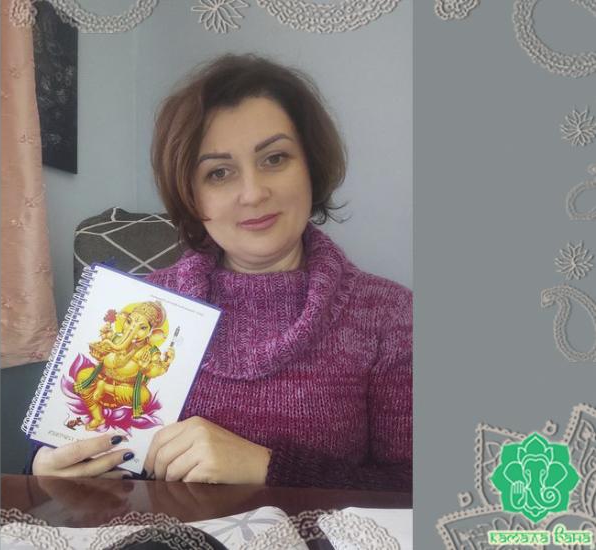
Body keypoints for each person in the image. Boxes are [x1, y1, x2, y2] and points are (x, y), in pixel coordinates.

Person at [30, 54, 412, 491]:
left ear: (311, 165)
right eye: (219, 173)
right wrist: (46, 469)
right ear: (191, 196)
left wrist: (268, 468)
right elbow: (61, 448)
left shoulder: (389, 315)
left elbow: (412, 489)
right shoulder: (135, 310)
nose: (253, 193)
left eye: (275, 158)